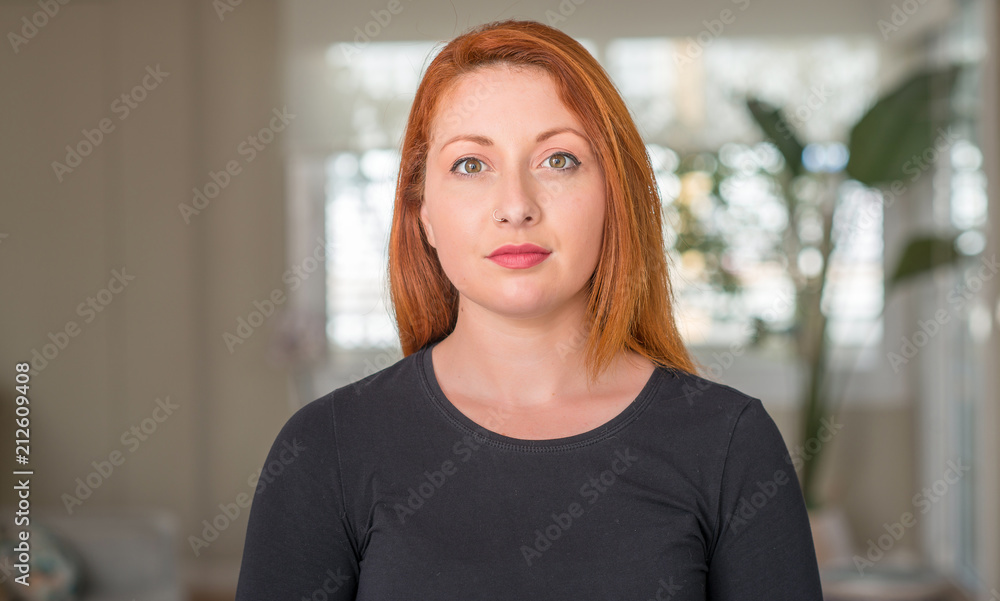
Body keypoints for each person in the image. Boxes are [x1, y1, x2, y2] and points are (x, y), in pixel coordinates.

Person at [235, 19, 824, 600]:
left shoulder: (729, 444)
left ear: (613, 197)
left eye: (558, 160)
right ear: (424, 214)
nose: (515, 206)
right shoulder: (325, 449)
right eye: (471, 164)